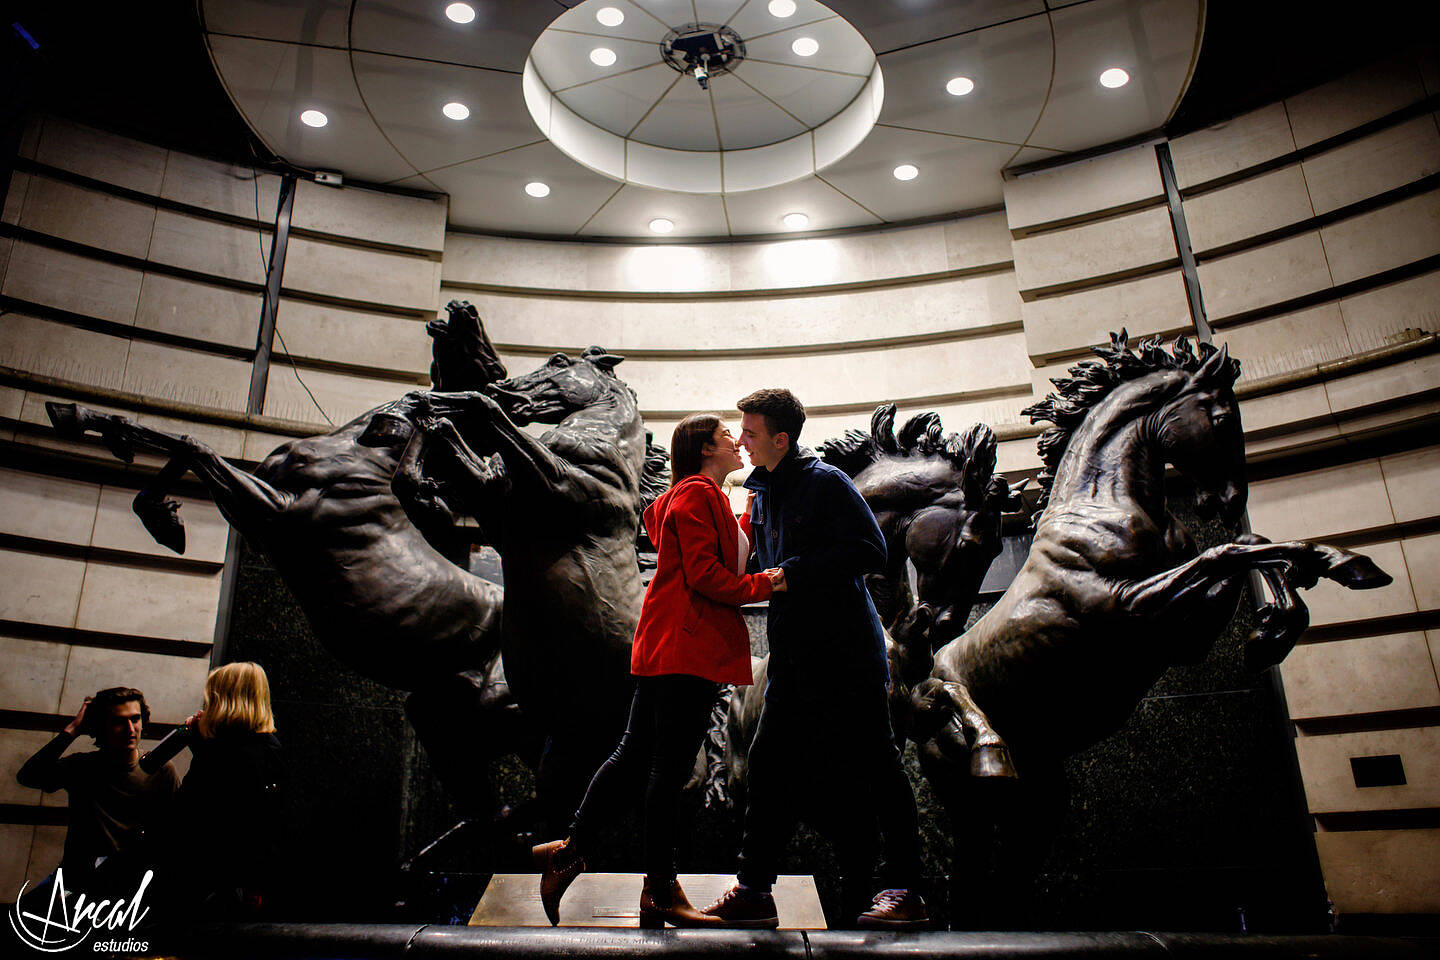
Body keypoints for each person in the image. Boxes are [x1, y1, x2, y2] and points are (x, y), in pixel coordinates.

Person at [533, 413, 784, 928]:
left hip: (669, 646)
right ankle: (658, 889)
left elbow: (721, 556)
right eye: (724, 438)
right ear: (703, 451)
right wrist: (770, 584)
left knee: (635, 758)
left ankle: (569, 851)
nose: (737, 443)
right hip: (685, 648)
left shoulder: (695, 495)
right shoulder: (696, 493)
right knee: (665, 771)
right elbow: (709, 576)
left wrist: (748, 517)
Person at [703, 388, 929, 929]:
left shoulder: (826, 481)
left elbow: (870, 549)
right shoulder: (761, 491)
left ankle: (907, 891)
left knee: (879, 767)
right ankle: (755, 890)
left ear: (781, 439)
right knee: (767, 765)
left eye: (750, 433)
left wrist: (796, 573)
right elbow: (758, 562)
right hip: (794, 655)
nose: (740, 440)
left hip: (847, 654)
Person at [16, 686, 180, 891]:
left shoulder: (160, 770)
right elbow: (28, 776)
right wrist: (72, 730)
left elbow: (176, 833)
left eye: (135, 719)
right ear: (102, 726)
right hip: (75, 881)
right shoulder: (81, 767)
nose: (130, 729)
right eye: (119, 722)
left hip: (129, 888)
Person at [162, 661, 286, 917]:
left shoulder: (221, 751)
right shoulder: (267, 748)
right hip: (240, 876)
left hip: (207, 876)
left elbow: (200, 806)